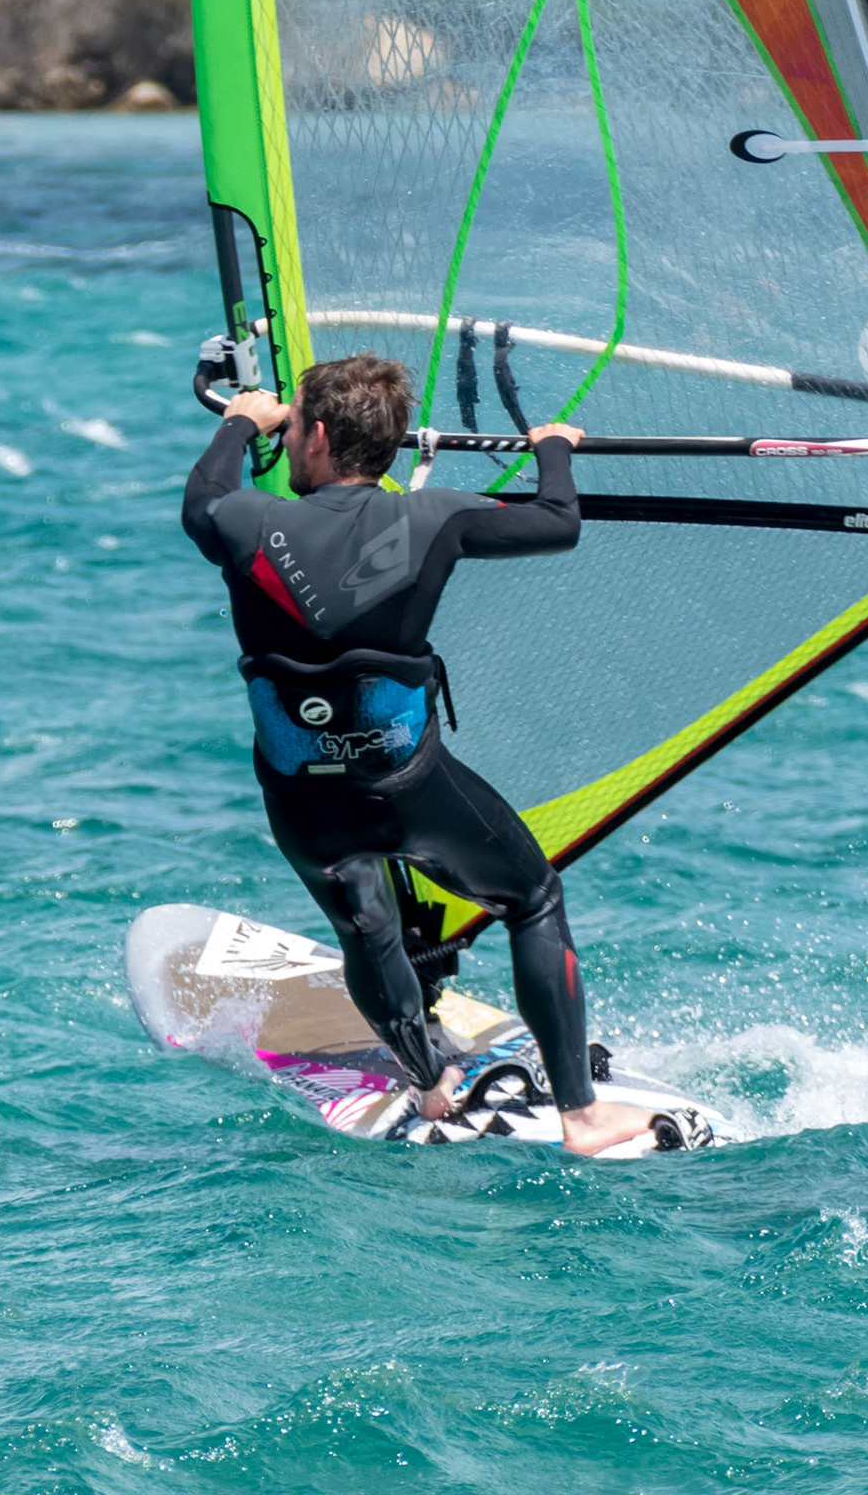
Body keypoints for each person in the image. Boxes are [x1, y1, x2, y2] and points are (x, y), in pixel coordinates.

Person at [181, 352, 662, 1156]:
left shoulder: (244, 522)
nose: (289, 437)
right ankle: (582, 1118)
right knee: (533, 898)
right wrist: (552, 445)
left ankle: (429, 1083)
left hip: (302, 800)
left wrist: (240, 420)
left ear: (320, 435)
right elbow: (557, 521)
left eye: (294, 427)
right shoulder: (435, 516)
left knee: (366, 928)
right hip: (406, 787)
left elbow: (202, 499)